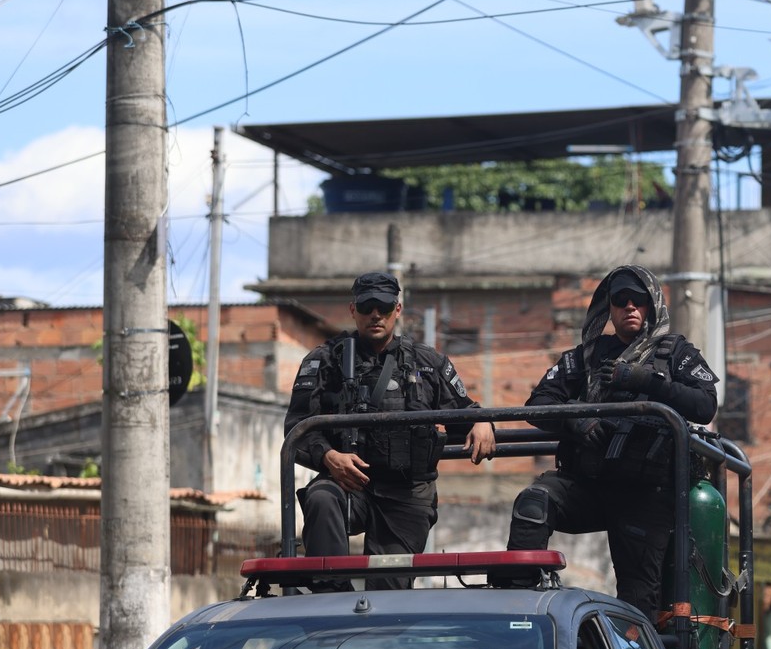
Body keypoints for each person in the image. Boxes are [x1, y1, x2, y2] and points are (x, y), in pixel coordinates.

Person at [505, 265, 718, 618]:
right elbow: (538, 405)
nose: (630, 307)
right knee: (533, 503)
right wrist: (577, 420)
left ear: (653, 305)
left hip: (644, 495)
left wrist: (650, 382)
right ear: (610, 308)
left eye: (639, 300)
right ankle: (518, 608)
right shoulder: (587, 356)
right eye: (621, 300)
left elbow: (705, 405)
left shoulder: (674, 353)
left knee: (638, 604)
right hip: (587, 486)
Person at [286, 272, 496, 580]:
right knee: (321, 498)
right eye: (366, 306)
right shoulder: (326, 361)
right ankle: (330, 595)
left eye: (383, 307)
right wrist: (329, 458)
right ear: (352, 309)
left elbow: (463, 412)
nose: (375, 315)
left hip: (406, 493)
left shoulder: (427, 362)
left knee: (388, 590)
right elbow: (297, 427)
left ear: (396, 310)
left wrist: (480, 420)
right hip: (349, 484)